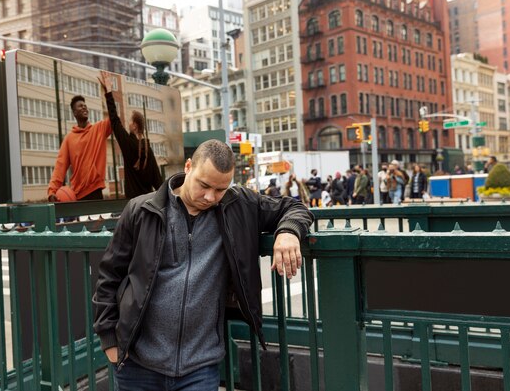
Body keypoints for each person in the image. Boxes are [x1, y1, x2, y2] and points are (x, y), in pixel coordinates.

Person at [92, 139, 313, 391]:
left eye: (220, 189)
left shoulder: (237, 204)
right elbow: (109, 277)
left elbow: (295, 207)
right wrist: (109, 341)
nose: (210, 197)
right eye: (204, 185)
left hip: (199, 368)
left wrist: (288, 232)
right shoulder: (141, 210)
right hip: (138, 364)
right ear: (188, 167)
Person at [99, 71, 163, 199]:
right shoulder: (148, 150)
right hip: (149, 203)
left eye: (129, 121)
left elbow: (114, 120)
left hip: (133, 204)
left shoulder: (128, 143)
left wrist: (109, 92)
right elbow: (158, 182)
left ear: (134, 125)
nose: (127, 123)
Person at [47, 92, 113, 202]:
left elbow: (114, 118)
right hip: (77, 195)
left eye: (85, 106)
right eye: (80, 106)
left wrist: (108, 93)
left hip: (95, 191)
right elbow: (60, 166)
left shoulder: (99, 129)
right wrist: (52, 191)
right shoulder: (69, 139)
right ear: (74, 113)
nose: (84, 107)